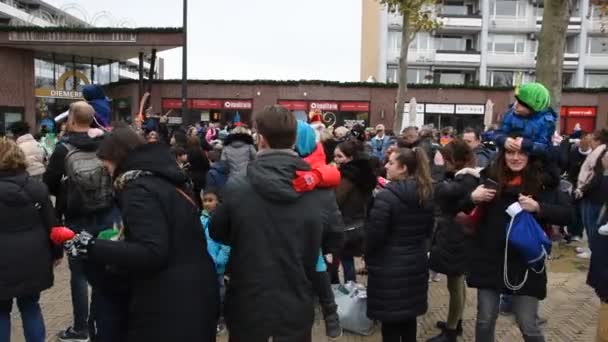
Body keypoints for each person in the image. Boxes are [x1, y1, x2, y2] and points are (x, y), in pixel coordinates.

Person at [66, 126, 219, 341]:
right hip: (193, 293)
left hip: (168, 303)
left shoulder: (138, 190)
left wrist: (91, 246)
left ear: (116, 157)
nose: (106, 170)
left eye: (106, 163)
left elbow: (152, 251)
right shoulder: (166, 179)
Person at [209, 105, 331, 342]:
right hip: (295, 299)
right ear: (294, 139)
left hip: (249, 300)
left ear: (261, 140)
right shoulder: (313, 188)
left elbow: (217, 231)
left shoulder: (238, 187)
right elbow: (322, 239)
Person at [467, 142, 573, 342]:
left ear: (530, 155)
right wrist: (472, 197)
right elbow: (454, 205)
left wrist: (538, 207)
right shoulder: (490, 177)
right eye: (510, 152)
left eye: (521, 153)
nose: (515, 158)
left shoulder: (543, 183)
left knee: (527, 324)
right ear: (503, 154)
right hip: (490, 258)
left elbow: (568, 215)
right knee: (484, 320)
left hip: (526, 263)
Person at [43, 101, 115, 342]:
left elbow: (48, 183)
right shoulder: (105, 143)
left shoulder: (63, 149)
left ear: (71, 119)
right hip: (106, 213)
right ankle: (101, 319)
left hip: (75, 217)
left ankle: (80, 328)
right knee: (105, 266)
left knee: (79, 274)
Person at [365, 147, 435, 342]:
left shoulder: (386, 198)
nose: (386, 165)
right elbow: (429, 230)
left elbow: (374, 236)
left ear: (403, 168)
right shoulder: (426, 193)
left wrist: (369, 258)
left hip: (389, 268)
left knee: (390, 324)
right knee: (408, 318)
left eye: (391, 162)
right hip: (415, 264)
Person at [0, 138, 62, 342]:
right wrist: (56, 253)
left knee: (1, 312)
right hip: (33, 258)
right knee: (30, 306)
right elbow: (51, 225)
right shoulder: (37, 189)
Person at [292, 120, 345, 339]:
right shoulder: (322, 174)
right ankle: (329, 311)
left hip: (300, 247)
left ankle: (329, 311)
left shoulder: (318, 175)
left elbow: (333, 223)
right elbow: (334, 224)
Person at [428, 140, 480, 342]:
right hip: (457, 234)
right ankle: (455, 322)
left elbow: (441, 193)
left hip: (457, 235)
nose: (445, 163)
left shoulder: (465, 180)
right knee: (455, 282)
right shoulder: (465, 178)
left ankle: (451, 331)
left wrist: (440, 171)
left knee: (455, 283)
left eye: (447, 159)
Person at [332, 140, 377, 284]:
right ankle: (350, 289)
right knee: (347, 260)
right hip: (358, 222)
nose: (335, 159)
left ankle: (345, 292)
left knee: (342, 261)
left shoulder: (347, 177)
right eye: (335, 156)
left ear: (350, 158)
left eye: (339, 156)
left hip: (346, 224)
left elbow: (336, 200)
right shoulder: (363, 174)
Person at [493, 82, 557, 157]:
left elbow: (546, 148)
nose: (515, 105)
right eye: (516, 100)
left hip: (535, 162)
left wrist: (526, 144)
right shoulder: (510, 114)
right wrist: (503, 140)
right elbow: (496, 134)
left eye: (521, 103)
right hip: (509, 158)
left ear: (532, 107)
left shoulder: (546, 122)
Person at [574, 128, 608, 258]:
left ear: (598, 141)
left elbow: (596, 176)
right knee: (589, 223)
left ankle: (593, 250)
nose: (590, 140)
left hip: (595, 194)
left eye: (592, 138)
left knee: (592, 223)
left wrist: (582, 189)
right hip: (592, 193)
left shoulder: (602, 154)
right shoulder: (597, 153)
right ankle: (590, 247)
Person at [201, 188, 231, 334]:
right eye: (205, 200)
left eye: (210, 200)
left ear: (218, 202)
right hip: (204, 265)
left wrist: (220, 261)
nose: (207, 203)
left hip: (218, 267)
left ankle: (220, 320)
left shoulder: (222, 219)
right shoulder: (201, 219)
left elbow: (226, 244)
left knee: (220, 295)